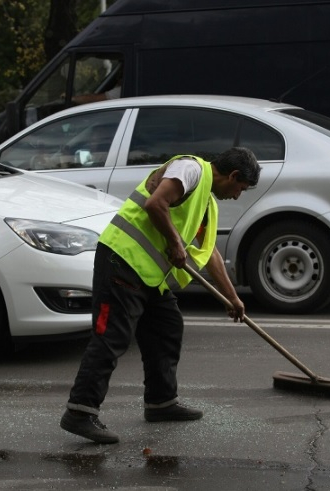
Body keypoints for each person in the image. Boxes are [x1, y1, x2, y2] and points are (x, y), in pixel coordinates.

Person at [60, 147, 261, 444]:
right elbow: (156, 204)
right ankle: (80, 411)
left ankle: (160, 402)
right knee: (111, 337)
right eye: (240, 188)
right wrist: (175, 243)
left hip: (151, 276)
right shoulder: (190, 169)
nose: (237, 195)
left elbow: (211, 254)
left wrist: (232, 297)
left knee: (167, 328)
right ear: (232, 175)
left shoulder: (207, 202)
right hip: (122, 260)